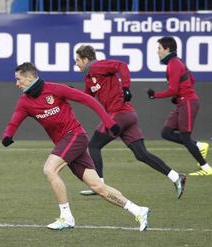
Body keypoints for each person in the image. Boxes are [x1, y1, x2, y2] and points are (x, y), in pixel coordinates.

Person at [2, 62, 150, 231]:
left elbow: (88, 100)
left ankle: (66, 217)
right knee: (97, 187)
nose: (16, 84)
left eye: (18, 79)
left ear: (29, 76)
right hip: (66, 143)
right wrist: (8, 136)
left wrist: (109, 122)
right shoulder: (24, 102)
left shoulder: (55, 89)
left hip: (74, 136)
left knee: (50, 169)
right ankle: (138, 210)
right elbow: (14, 121)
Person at [74, 45, 187, 198]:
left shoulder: (99, 66)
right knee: (141, 154)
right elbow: (87, 98)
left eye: (77, 60)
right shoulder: (89, 78)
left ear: (86, 59)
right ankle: (176, 177)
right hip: (128, 116)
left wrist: (126, 87)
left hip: (119, 114)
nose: (76, 64)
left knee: (93, 145)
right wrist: (70, 93)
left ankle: (98, 185)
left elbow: (122, 66)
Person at [147, 36, 212, 176]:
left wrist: (155, 95)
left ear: (167, 49)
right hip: (183, 102)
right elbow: (192, 80)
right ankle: (199, 145)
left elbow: (173, 90)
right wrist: (179, 97)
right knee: (166, 133)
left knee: (185, 137)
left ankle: (205, 167)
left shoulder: (174, 64)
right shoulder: (176, 62)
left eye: (159, 48)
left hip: (187, 103)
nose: (157, 51)